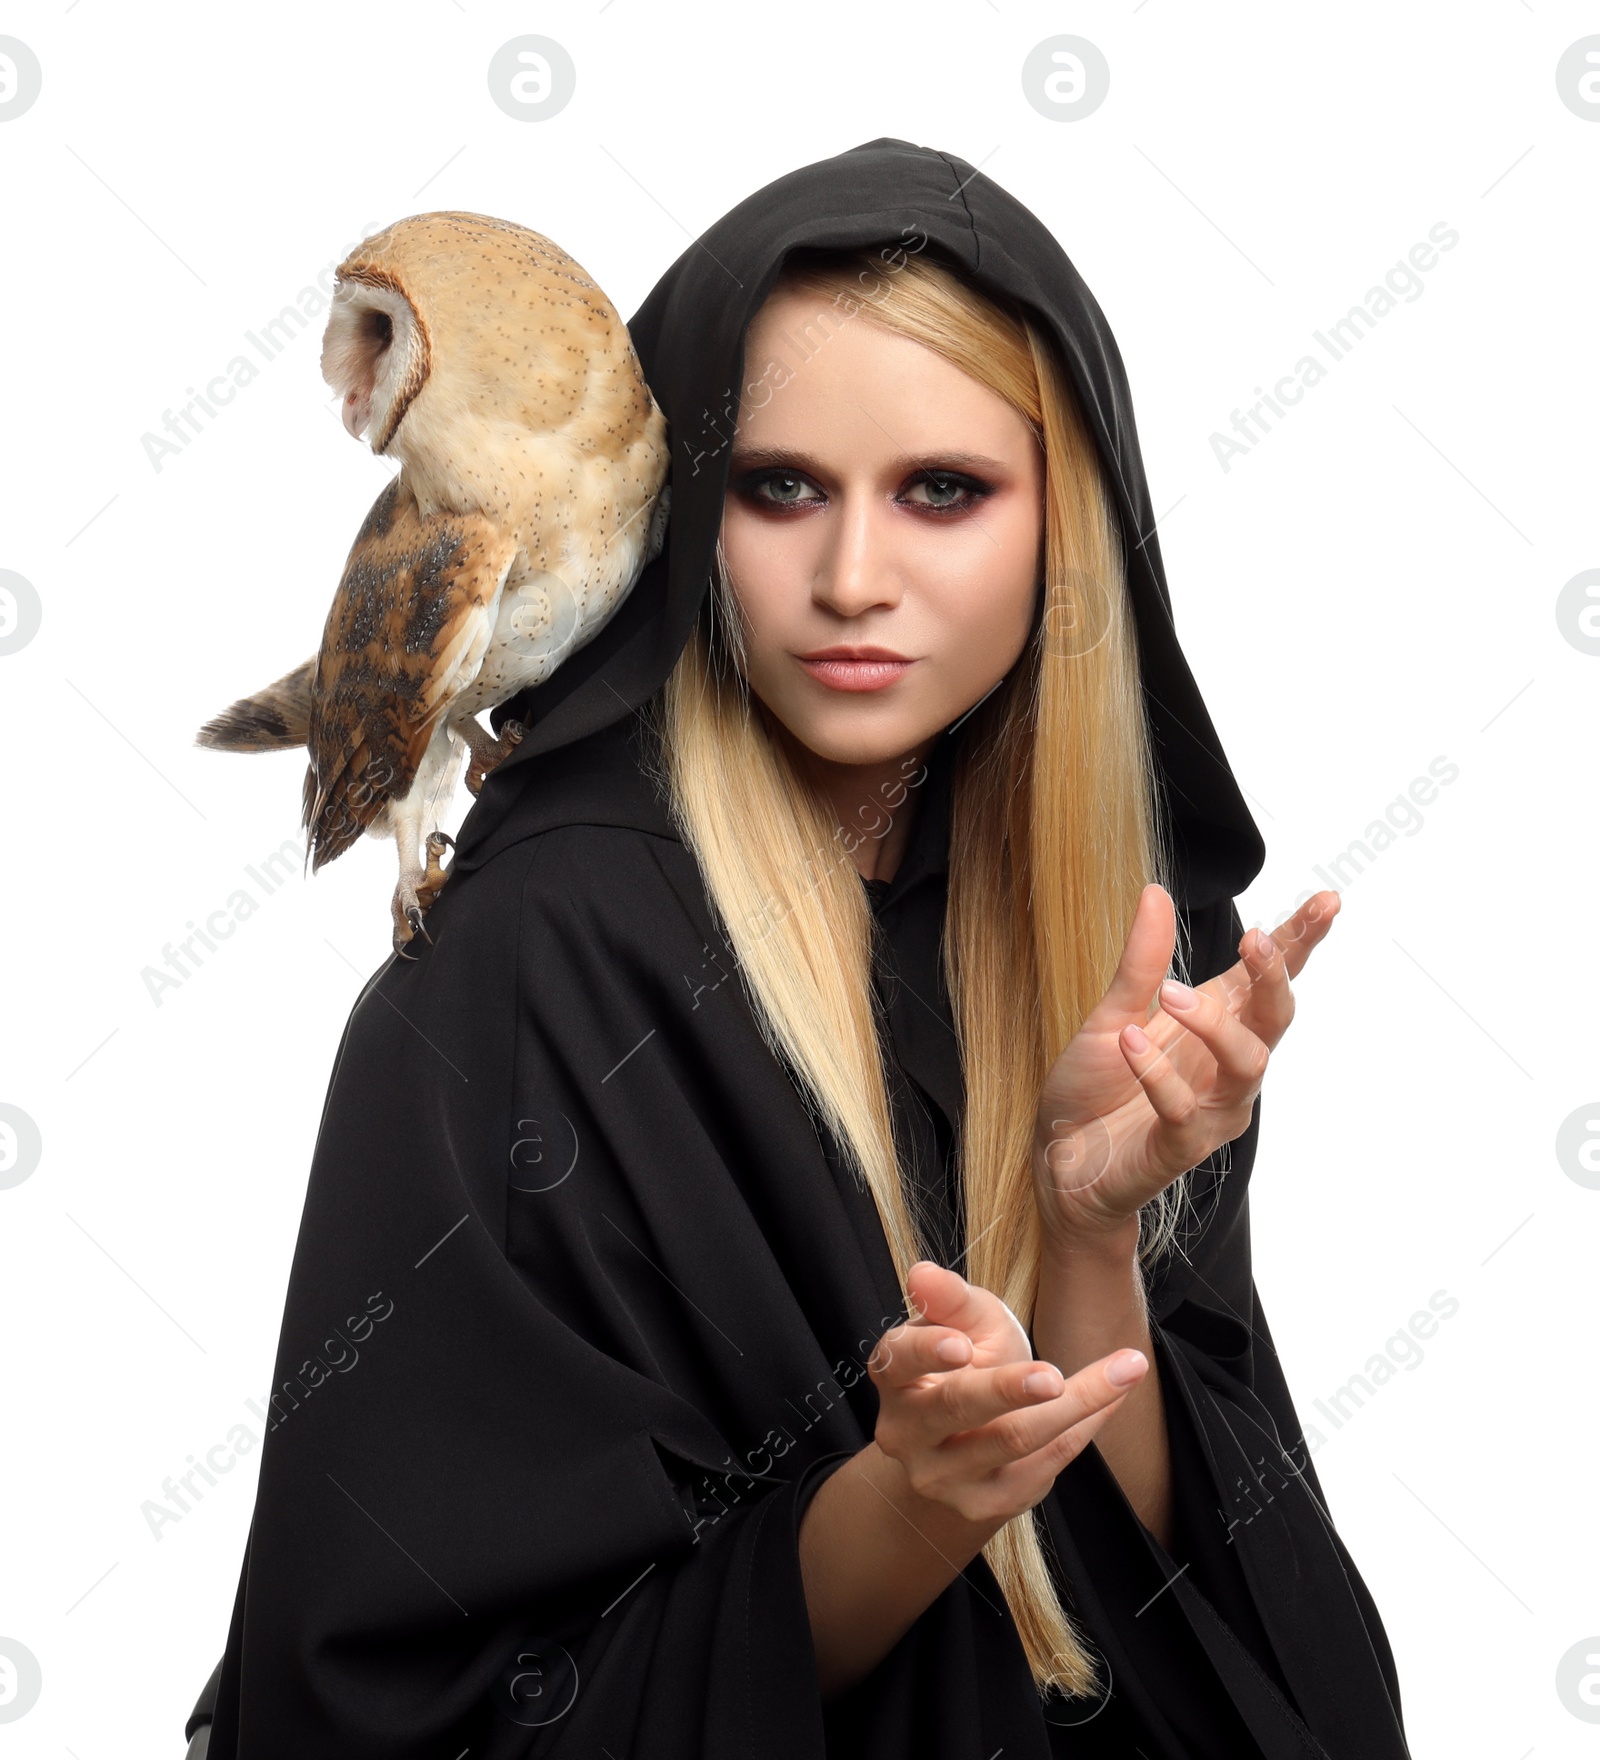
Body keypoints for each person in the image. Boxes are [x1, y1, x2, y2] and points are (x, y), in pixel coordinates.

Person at [184, 138, 1411, 1758]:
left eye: (943, 493)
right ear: (684, 504)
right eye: (779, 489)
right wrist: (904, 1507)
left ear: (1071, 522)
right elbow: (404, 1703)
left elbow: (1249, 1657)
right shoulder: (535, 967)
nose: (850, 582)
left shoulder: (1132, 940)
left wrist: (1092, 1248)